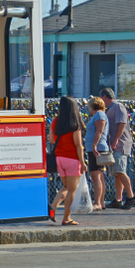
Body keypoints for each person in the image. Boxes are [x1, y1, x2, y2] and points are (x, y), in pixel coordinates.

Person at [48, 96, 88, 225]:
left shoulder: (55, 121)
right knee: (72, 190)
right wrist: (82, 162)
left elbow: (52, 140)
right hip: (72, 159)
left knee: (66, 187)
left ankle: (53, 206)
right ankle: (66, 218)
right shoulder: (75, 123)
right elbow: (78, 144)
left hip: (59, 159)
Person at [100, 87, 135, 209]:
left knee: (120, 170)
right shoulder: (111, 108)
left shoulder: (118, 106)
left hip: (120, 144)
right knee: (117, 172)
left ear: (105, 97)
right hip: (115, 144)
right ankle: (118, 199)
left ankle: (131, 197)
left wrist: (116, 139)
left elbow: (122, 124)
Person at [84, 96, 110, 211]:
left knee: (96, 176)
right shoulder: (98, 115)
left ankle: (97, 202)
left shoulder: (99, 115)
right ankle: (101, 202)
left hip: (96, 148)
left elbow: (99, 130)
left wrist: (94, 145)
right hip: (96, 148)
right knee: (99, 176)